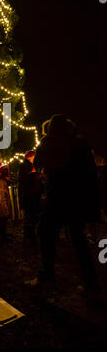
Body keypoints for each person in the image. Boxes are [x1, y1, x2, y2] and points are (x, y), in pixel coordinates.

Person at [31, 114, 101, 299]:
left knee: (45, 232)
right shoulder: (81, 145)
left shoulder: (50, 142)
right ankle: (91, 285)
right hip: (78, 199)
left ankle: (47, 276)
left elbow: (37, 163)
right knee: (79, 240)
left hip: (58, 197)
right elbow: (91, 175)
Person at [18, 150, 42, 241]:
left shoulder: (36, 165)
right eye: (33, 157)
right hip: (28, 194)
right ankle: (29, 234)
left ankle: (36, 233)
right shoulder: (24, 165)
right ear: (29, 157)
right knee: (29, 215)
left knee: (36, 214)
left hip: (36, 193)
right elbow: (22, 181)